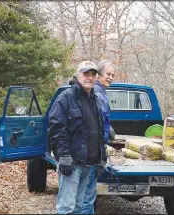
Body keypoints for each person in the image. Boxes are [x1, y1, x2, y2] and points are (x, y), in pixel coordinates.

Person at [49, 61, 107, 214]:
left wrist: (102, 156)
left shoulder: (95, 99)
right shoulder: (66, 97)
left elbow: (99, 130)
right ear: (78, 75)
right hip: (72, 163)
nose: (90, 77)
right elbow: (57, 129)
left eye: (93, 74)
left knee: (79, 207)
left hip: (89, 162)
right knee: (66, 207)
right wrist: (64, 156)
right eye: (86, 74)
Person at [81, 60, 115, 214]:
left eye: (112, 75)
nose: (111, 77)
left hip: (95, 148)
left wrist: (110, 129)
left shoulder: (100, 92)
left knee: (88, 193)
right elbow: (97, 121)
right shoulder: (98, 94)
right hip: (94, 150)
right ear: (99, 75)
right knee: (87, 194)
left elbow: (102, 119)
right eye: (108, 74)